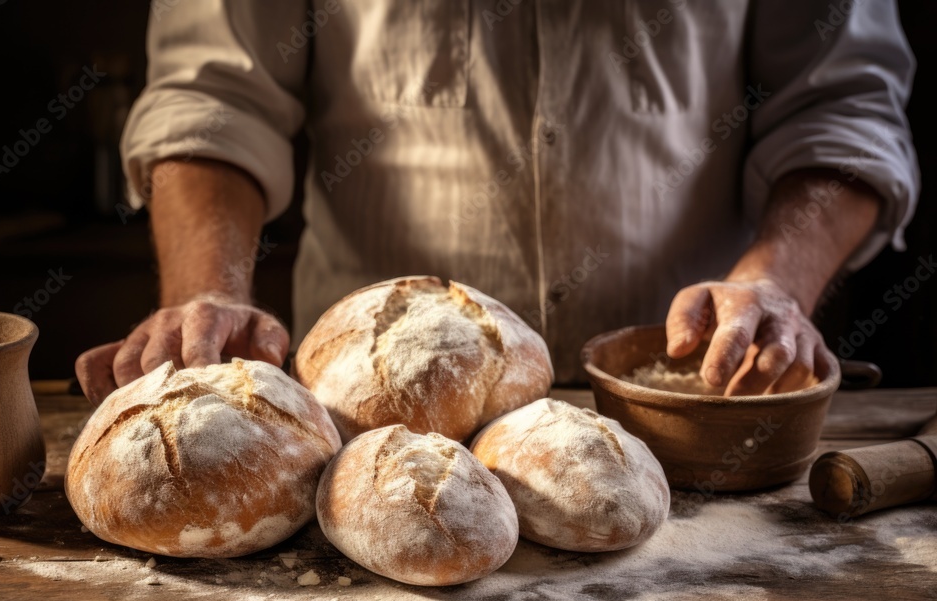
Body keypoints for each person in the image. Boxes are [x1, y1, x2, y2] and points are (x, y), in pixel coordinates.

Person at [76, 0, 919, 405]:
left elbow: (841, 100)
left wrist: (777, 280)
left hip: (691, 404)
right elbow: (217, 97)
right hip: (371, 437)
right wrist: (208, 287)